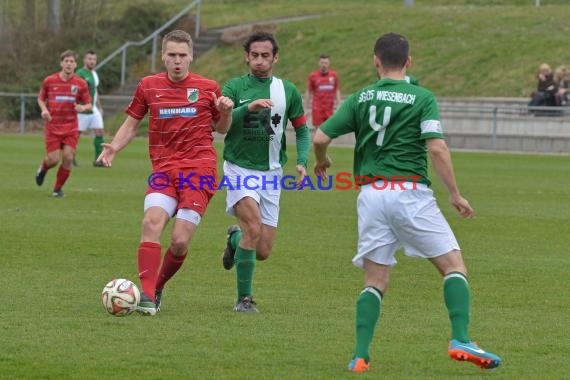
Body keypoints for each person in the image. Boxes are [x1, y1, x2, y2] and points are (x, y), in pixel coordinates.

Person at [313, 32, 502, 373]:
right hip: (409, 193)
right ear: (409, 62)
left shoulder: (359, 98)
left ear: (375, 61)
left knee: (375, 280)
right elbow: (436, 147)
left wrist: (322, 160)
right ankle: (460, 337)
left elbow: (321, 136)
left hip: (370, 196)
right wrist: (455, 193)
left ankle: (360, 355)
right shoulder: (421, 97)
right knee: (453, 266)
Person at [96, 30, 234, 316]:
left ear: (191, 56)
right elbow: (132, 124)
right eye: (171, 55)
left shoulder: (208, 87)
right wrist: (114, 148)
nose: (177, 61)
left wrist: (226, 112)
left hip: (199, 170)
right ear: (163, 56)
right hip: (163, 169)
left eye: (182, 55)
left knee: (180, 240)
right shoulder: (148, 86)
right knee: (151, 223)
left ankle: (157, 287)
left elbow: (221, 128)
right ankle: (145, 296)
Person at [220, 31, 310, 312]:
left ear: (275, 58)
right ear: (247, 57)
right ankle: (243, 300)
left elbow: (302, 129)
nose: (259, 61)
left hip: (272, 173)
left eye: (265, 56)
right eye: (254, 55)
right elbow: (220, 124)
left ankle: (234, 239)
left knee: (263, 251)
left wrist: (302, 160)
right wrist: (248, 108)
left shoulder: (288, 91)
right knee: (254, 228)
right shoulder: (234, 87)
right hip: (239, 168)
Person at [35, 50, 92, 197]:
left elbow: (89, 104)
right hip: (53, 126)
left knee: (68, 157)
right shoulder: (49, 80)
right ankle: (43, 168)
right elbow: (41, 98)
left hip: (71, 127)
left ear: (75, 65)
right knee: (53, 159)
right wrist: (44, 110)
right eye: (66, 61)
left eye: (71, 61)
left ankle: (57, 189)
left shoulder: (80, 83)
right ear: (61, 63)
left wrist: (82, 107)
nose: (69, 64)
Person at [76, 50, 106, 167]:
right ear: (84, 60)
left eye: (94, 59)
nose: (92, 61)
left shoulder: (94, 74)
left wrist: (100, 107)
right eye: (89, 59)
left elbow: (96, 91)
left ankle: (98, 160)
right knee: (75, 136)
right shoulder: (80, 73)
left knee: (99, 132)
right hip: (82, 110)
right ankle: (70, 158)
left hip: (93, 109)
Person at [305, 53, 341, 128]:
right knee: (319, 132)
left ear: (329, 63)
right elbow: (308, 91)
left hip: (329, 109)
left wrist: (339, 105)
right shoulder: (313, 76)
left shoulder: (334, 75)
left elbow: (337, 90)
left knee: (329, 132)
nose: (324, 65)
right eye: (322, 62)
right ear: (319, 63)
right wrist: (306, 107)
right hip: (317, 109)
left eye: (326, 63)